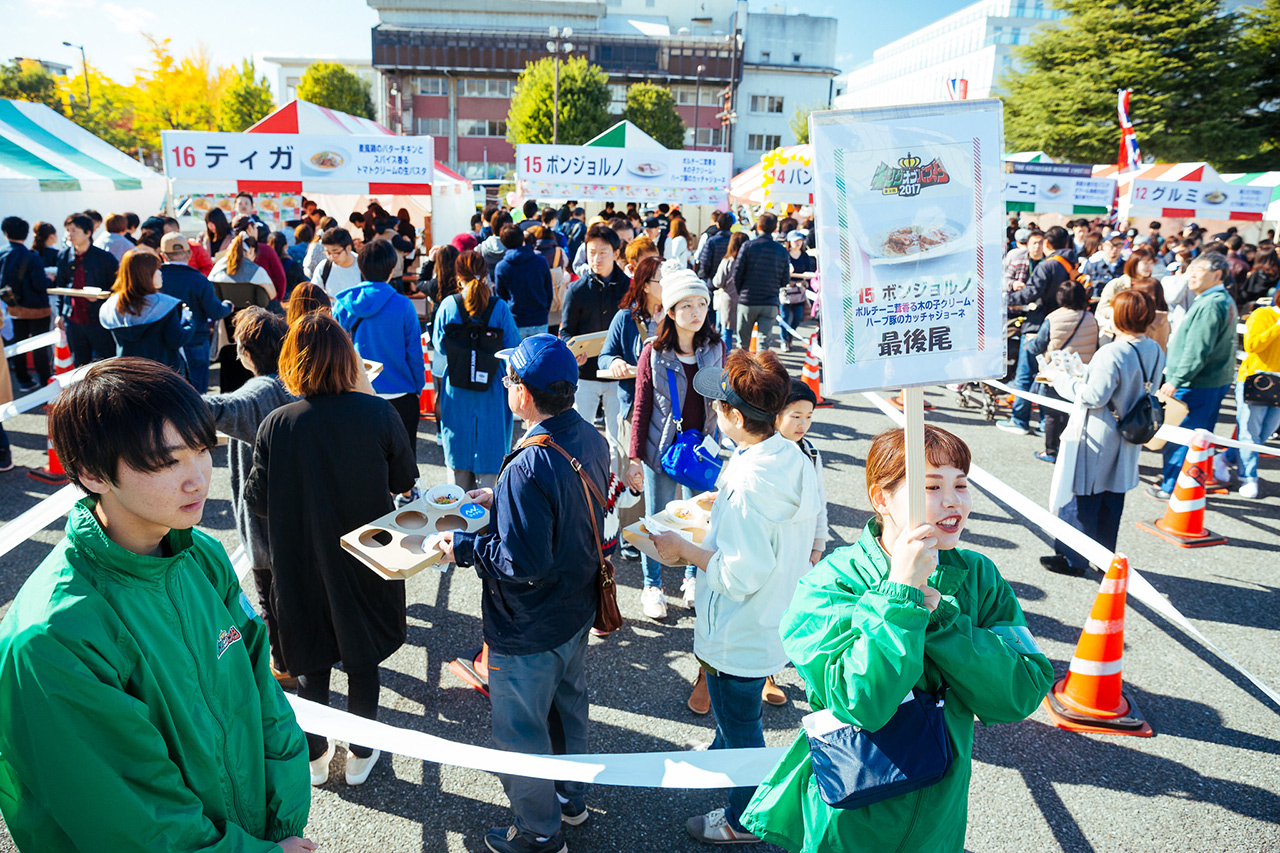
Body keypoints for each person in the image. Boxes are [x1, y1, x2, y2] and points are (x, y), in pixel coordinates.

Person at [0, 358, 316, 852]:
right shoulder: (54, 635)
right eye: (167, 462)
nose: (196, 479)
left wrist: (281, 826)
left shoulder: (199, 554)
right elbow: (132, 819)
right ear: (90, 472)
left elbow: (263, 695)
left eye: (201, 450)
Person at [738, 424, 1053, 851]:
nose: (952, 500)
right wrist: (901, 597)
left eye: (961, 484)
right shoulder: (829, 583)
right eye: (931, 485)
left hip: (940, 822)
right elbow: (860, 703)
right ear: (881, 498)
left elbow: (1022, 693)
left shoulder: (979, 577)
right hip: (850, 821)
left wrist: (941, 620)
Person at [433, 333, 609, 853]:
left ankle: (538, 830)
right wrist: (501, 497)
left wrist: (460, 548)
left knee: (520, 729)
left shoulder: (531, 461)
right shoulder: (589, 438)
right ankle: (571, 799)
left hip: (526, 624)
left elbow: (520, 563)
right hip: (576, 609)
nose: (506, 384)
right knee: (568, 707)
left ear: (524, 395)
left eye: (511, 378)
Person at [645, 350, 821, 845]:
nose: (716, 413)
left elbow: (740, 573)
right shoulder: (791, 455)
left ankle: (741, 820)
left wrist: (683, 549)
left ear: (738, 418)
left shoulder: (747, 483)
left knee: (745, 726)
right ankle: (724, 748)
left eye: (720, 406)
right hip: (771, 617)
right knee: (739, 712)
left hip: (737, 629)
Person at [245, 313, 417, 788]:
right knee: (362, 662)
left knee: (311, 663)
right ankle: (361, 752)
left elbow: (256, 500)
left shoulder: (276, 424)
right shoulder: (378, 412)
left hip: (299, 562)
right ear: (350, 360)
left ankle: (316, 755)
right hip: (366, 559)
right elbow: (405, 481)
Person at [203, 308, 298, 683]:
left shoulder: (258, 391)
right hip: (303, 515)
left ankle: (286, 668)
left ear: (245, 353)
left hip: (266, 524)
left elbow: (216, 409)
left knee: (273, 602)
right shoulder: (298, 383)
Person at [1039, 290, 1164, 574]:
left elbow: (1093, 396)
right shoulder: (1154, 349)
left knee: (1084, 496)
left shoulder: (1113, 351)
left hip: (1099, 431)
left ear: (1121, 316)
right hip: (1131, 431)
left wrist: (1060, 380)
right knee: (1112, 498)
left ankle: (1073, 558)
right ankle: (1104, 557)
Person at [627, 267, 723, 622]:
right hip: (661, 451)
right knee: (658, 519)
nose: (697, 312)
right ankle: (652, 586)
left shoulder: (715, 347)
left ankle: (692, 578)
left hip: (702, 450)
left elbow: (723, 398)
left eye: (702, 304)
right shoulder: (653, 352)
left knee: (701, 519)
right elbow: (641, 407)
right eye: (687, 306)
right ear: (670, 311)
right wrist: (635, 457)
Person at [1150, 252, 1239, 501]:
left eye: (1197, 271)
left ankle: (1171, 485)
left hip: (1196, 382)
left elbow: (1197, 349)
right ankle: (1181, 482)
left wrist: (1176, 380)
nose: (1190, 276)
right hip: (1210, 381)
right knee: (1198, 436)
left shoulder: (1211, 303)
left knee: (1182, 436)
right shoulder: (1221, 299)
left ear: (1217, 275)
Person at [333, 240, 427, 471]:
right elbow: (414, 352)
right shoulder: (404, 305)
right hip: (401, 391)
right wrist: (417, 387)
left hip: (358, 391)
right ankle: (405, 499)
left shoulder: (344, 305)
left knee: (364, 459)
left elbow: (336, 351)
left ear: (361, 268)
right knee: (403, 458)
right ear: (391, 269)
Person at [434, 250, 521, 490]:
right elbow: (512, 348)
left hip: (457, 388)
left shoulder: (449, 305)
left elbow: (440, 346)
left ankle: (462, 524)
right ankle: (489, 525)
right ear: (485, 275)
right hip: (492, 388)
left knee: (459, 469)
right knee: (491, 471)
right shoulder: (499, 307)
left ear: (458, 277)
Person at [560, 223, 631, 471]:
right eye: (591, 252)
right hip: (585, 374)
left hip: (619, 375)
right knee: (579, 434)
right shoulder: (577, 290)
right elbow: (566, 330)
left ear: (616, 252)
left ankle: (617, 494)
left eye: (602, 252)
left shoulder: (629, 287)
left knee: (619, 438)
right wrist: (572, 350)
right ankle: (580, 487)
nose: (596, 258)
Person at [1000, 224, 1074, 435]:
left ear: (1048, 243)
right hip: (1060, 324)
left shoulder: (1048, 265)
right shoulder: (1071, 263)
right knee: (1047, 376)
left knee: (1025, 374)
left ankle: (1019, 421)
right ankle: (1045, 423)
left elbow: (1031, 293)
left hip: (1037, 323)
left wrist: (1007, 299)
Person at [1027, 281, 1099, 462]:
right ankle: (1069, 450)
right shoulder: (1090, 318)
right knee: (1071, 412)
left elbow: (1038, 346)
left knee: (1052, 414)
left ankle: (1051, 451)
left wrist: (1029, 340)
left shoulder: (1053, 317)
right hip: (1081, 373)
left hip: (1056, 373)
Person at [1217, 289, 1280, 499]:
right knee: (1250, 433)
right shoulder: (1262, 315)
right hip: (1257, 380)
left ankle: (1225, 459)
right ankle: (1248, 477)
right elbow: (1252, 345)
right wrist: (1278, 326)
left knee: (1264, 433)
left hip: (1277, 384)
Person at [159, 232, 234, 393]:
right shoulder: (198, 279)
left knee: (168, 393)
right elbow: (215, 311)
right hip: (196, 340)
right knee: (197, 394)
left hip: (163, 342)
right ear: (189, 254)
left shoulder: (155, 278)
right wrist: (227, 306)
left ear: (163, 255)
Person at [99, 248, 192, 372]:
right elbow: (176, 340)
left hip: (127, 374)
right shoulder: (166, 305)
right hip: (163, 374)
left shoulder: (111, 306)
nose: (160, 273)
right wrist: (189, 322)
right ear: (145, 275)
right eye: (156, 269)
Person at [54, 212, 119, 366]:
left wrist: (100, 294)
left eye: (74, 230)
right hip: (73, 319)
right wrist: (60, 313)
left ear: (88, 232)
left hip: (99, 319)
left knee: (106, 363)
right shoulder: (64, 256)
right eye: (68, 230)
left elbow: (117, 287)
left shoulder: (104, 258)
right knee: (80, 364)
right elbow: (61, 287)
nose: (70, 234)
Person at [2, 216, 53, 392]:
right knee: (40, 345)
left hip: (14, 306)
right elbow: (40, 285)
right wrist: (49, 280)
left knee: (19, 343)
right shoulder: (32, 257)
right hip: (37, 308)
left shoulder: (2, 254)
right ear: (26, 234)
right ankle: (46, 381)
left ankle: (23, 380)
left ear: (6, 233)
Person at [733, 213, 791, 352]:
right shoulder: (781, 250)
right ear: (775, 228)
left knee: (742, 344)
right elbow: (785, 279)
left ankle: (741, 373)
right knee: (763, 346)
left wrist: (742, 291)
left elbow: (737, 273)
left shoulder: (748, 246)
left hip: (747, 300)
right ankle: (761, 373)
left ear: (758, 226)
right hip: (769, 301)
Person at [1096, 246, 1170, 349]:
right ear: (1134, 263)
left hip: (1146, 333)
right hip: (1118, 332)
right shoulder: (1117, 284)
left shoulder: (1152, 285)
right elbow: (1103, 308)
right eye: (1145, 263)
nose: (1148, 267)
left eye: (1151, 263)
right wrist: (1123, 313)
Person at [494, 223, 555, 338]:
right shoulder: (540, 261)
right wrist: (544, 311)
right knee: (540, 355)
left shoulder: (502, 267)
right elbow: (548, 291)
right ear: (522, 238)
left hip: (516, 321)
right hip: (540, 318)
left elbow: (501, 297)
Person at [713, 231, 748, 350]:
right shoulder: (749, 262)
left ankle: (725, 359)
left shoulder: (728, 261)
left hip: (728, 298)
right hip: (745, 299)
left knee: (726, 331)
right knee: (742, 333)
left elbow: (718, 282)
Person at [781, 230, 814, 349]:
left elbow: (809, 270)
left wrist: (806, 279)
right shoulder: (784, 254)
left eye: (800, 240)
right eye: (795, 240)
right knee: (784, 317)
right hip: (786, 289)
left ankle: (790, 335)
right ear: (789, 241)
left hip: (799, 290)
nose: (798, 243)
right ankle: (784, 340)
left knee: (798, 317)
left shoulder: (804, 255)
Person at [311, 228, 362, 297]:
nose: (331, 257)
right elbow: (314, 292)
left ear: (348, 248)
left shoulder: (363, 267)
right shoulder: (324, 267)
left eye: (336, 253)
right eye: (328, 253)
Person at [1080, 231, 1126, 298]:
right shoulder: (1092, 265)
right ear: (1103, 246)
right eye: (1111, 244)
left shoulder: (1126, 267)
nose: (1115, 248)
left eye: (1119, 245)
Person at [696, 212, 736, 283]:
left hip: (712, 279)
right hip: (730, 280)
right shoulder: (734, 240)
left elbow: (705, 261)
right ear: (731, 225)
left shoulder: (712, 241)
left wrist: (704, 275)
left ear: (718, 225)